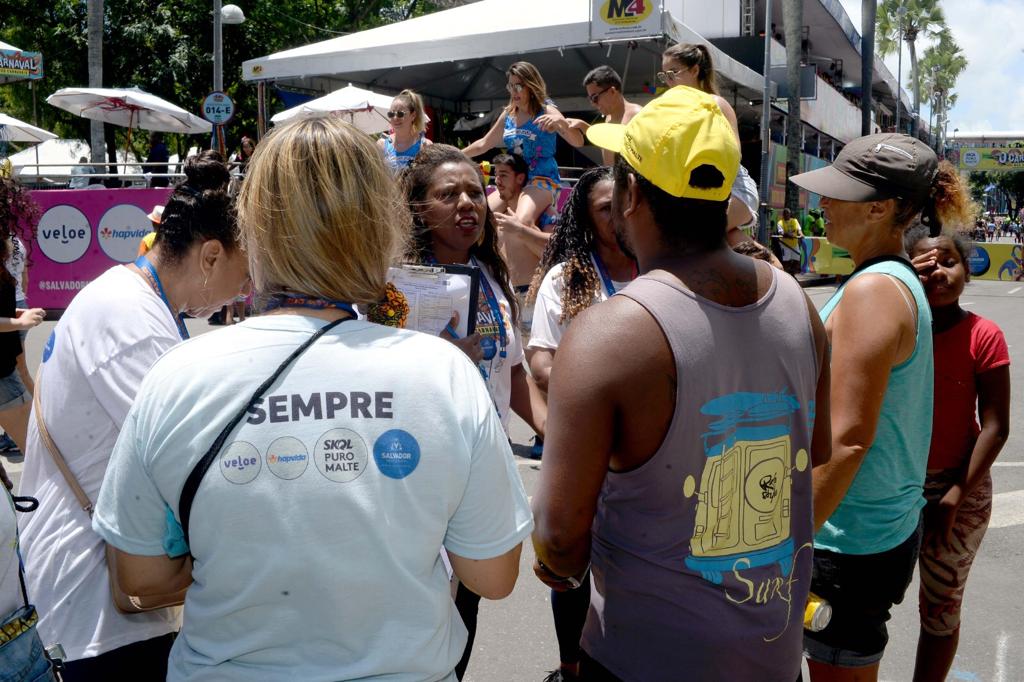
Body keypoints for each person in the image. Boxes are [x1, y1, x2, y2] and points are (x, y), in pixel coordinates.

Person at [92, 116, 531, 681]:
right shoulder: (444, 372)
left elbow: (139, 579)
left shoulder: (176, 375)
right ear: (384, 227)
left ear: (252, 228)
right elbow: (493, 575)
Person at [532, 85, 830, 681]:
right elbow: (816, 458)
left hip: (643, 660)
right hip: (772, 657)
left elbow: (560, 539)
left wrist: (561, 568)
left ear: (632, 194)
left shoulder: (607, 335)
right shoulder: (798, 304)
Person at [17, 151, 251, 681]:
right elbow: (193, 468)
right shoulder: (133, 321)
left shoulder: (128, 299)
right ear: (211, 256)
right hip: (91, 605)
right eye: (245, 273)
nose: (244, 291)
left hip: (104, 598)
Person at [789, 134, 973, 681]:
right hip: (871, 528)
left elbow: (848, 441)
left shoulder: (874, 290)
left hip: (846, 540)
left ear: (881, 208)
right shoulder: (888, 279)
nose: (823, 203)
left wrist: (788, 542)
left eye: (838, 193)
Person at [402, 143, 546, 679]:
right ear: (419, 209)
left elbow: (513, 373)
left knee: (466, 611)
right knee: (420, 616)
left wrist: (556, 432)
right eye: (448, 194)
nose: (468, 203)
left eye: (474, 192)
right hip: (414, 474)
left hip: (481, 471)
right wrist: (436, 360)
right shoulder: (393, 286)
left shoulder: (491, 274)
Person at [524, 166, 636, 679]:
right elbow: (540, 362)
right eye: (605, 209)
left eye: (625, 203)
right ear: (586, 220)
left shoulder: (662, 271)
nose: (619, 216)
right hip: (581, 448)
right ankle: (569, 668)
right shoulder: (567, 278)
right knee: (569, 568)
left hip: (646, 452)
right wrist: (602, 392)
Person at [905, 226, 1010, 682]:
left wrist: (953, 496)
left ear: (968, 269)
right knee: (867, 598)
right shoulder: (893, 328)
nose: (938, 274)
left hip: (958, 486)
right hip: (893, 484)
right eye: (924, 267)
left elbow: (996, 425)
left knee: (941, 607)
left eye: (948, 262)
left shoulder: (983, 335)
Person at [659, 43, 766, 259]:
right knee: (725, 243)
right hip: (703, 195)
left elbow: (734, 154)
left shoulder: (715, 103)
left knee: (696, 240)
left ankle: (774, 272)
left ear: (694, 70)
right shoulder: (673, 109)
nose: (668, 81)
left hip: (734, 191)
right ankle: (772, 271)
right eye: (664, 75)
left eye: (673, 73)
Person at [462, 61, 584, 228]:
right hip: (514, 181)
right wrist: (454, 154)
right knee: (482, 218)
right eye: (510, 86)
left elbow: (578, 141)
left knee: (521, 221)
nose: (514, 91)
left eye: (518, 86)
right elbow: (484, 144)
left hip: (541, 180)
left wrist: (561, 123)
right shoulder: (508, 114)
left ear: (531, 86)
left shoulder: (547, 111)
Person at [488, 152, 557, 335]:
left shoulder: (543, 213)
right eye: (496, 175)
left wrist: (521, 230)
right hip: (504, 297)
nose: (497, 181)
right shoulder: (498, 215)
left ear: (519, 178)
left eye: (503, 175)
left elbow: (555, 252)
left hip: (532, 297)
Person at [565, 66, 642, 166]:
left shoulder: (637, 115)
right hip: (614, 175)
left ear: (612, 91)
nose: (593, 104)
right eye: (590, 99)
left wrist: (586, 128)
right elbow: (609, 146)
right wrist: (585, 127)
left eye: (595, 98)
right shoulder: (609, 118)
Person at [378, 89, 432, 173]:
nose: (395, 118)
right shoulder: (382, 145)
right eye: (391, 114)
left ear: (413, 115)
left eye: (400, 114)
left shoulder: (425, 145)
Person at [777, 207, 804, 275]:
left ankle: (793, 274)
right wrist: (788, 235)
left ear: (790, 214)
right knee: (786, 260)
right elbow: (781, 233)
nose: (786, 215)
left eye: (788, 213)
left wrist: (801, 234)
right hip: (785, 245)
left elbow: (799, 230)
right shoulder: (780, 222)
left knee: (797, 259)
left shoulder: (795, 221)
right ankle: (786, 274)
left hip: (794, 244)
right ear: (783, 215)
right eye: (785, 214)